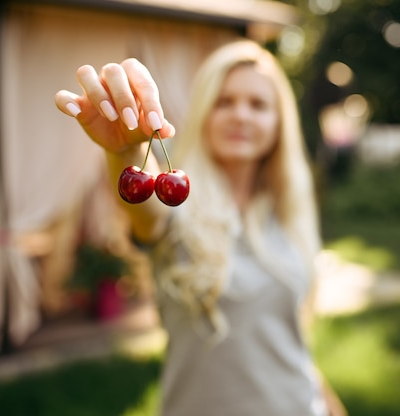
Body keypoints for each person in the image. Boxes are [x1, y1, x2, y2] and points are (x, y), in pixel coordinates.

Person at [55, 39, 347, 416]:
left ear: (280, 123)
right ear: (204, 112)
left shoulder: (289, 210)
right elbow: (145, 216)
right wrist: (122, 151)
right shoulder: (176, 205)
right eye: (224, 101)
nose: (240, 114)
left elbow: (288, 341)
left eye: (258, 104)